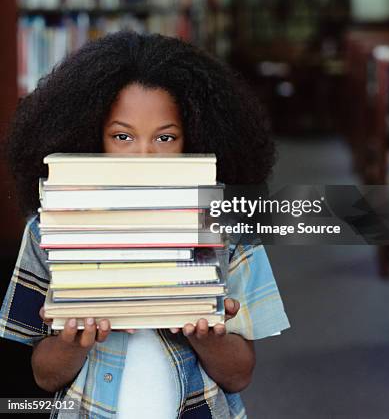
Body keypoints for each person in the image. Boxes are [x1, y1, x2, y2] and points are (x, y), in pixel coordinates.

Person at [0, 31, 290, 418]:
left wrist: (205, 336)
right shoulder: (49, 228)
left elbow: (239, 375)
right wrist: (76, 342)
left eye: (165, 138)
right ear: (91, 137)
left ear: (194, 140)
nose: (144, 156)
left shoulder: (224, 226)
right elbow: (44, 376)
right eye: (122, 136)